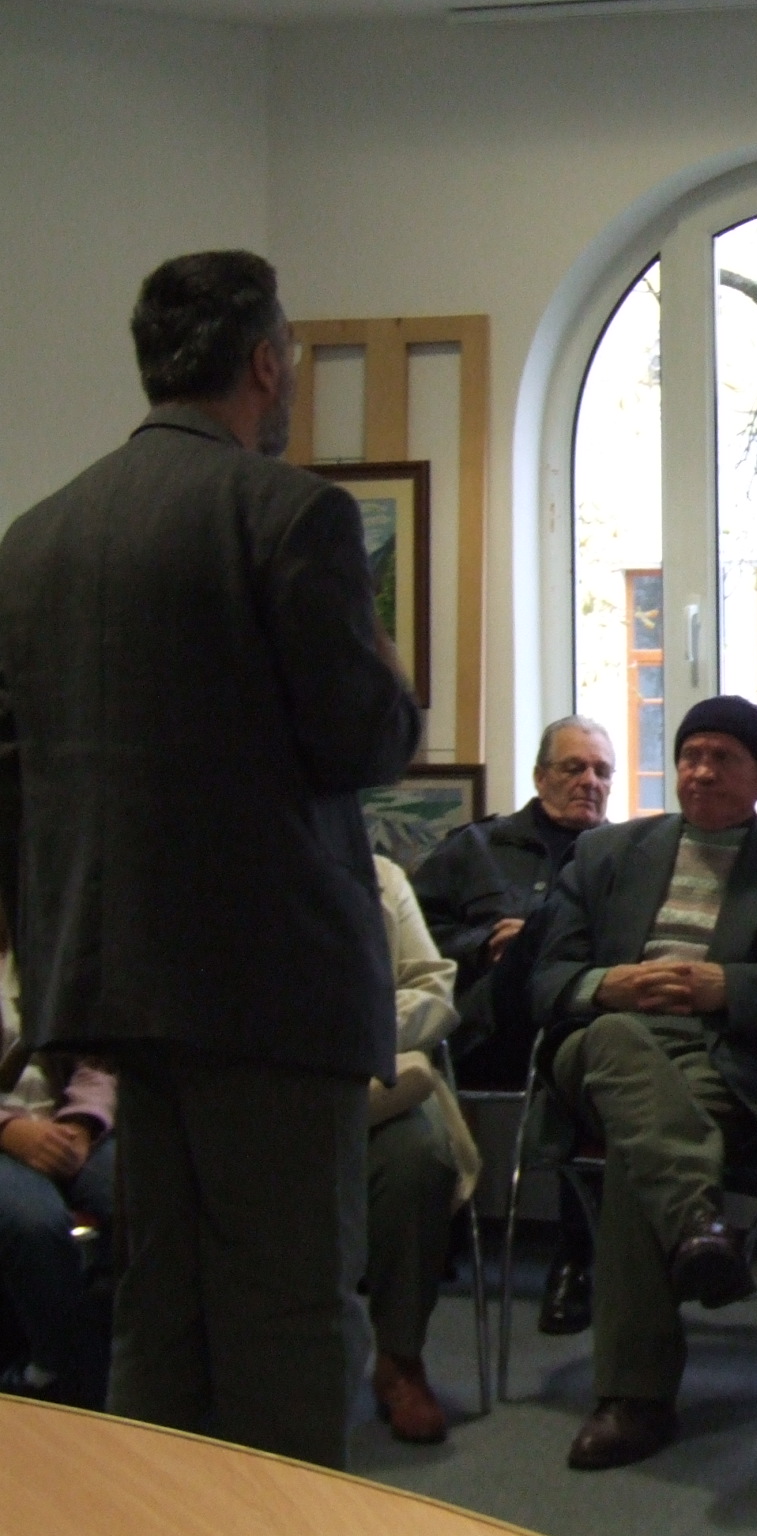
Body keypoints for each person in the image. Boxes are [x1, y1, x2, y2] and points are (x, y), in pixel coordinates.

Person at [0, 251, 420, 1469]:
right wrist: (388, 670)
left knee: (161, 1307)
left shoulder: (33, 540)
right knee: (290, 1315)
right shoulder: (290, 515)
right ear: (264, 365)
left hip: (109, 991)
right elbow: (364, 738)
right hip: (272, 996)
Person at [529, 695, 757, 1471]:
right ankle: (698, 1227)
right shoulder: (606, 856)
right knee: (618, 1041)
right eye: (690, 756)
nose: (702, 772)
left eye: (723, 759)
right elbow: (543, 980)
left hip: (723, 1064)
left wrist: (731, 988)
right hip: (603, 1050)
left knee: (640, 1147)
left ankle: (635, 1397)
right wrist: (607, 985)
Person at [414, 714, 616, 1336]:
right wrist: (482, 944)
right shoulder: (475, 849)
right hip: (488, 1035)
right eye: (574, 767)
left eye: (602, 771)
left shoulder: (626, 857)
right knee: (561, 989)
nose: (590, 782)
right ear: (539, 776)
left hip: (577, 1033)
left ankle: (577, 1259)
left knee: (591, 1043)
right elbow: (412, 941)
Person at [365, 855, 480, 1446]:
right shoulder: (218, 872)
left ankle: (400, 1357)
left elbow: (430, 986)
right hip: (258, 1084)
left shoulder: (380, 877)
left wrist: (357, 1033)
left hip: (372, 1076)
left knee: (421, 1156)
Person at [0, 915, 115, 1409]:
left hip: (70, 1122)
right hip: (7, 1133)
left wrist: (83, 1122)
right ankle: (53, 1373)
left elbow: (101, 1053)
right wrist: (11, 1130)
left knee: (139, 1199)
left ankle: (125, 1369)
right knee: (35, 1224)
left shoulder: (50, 938)